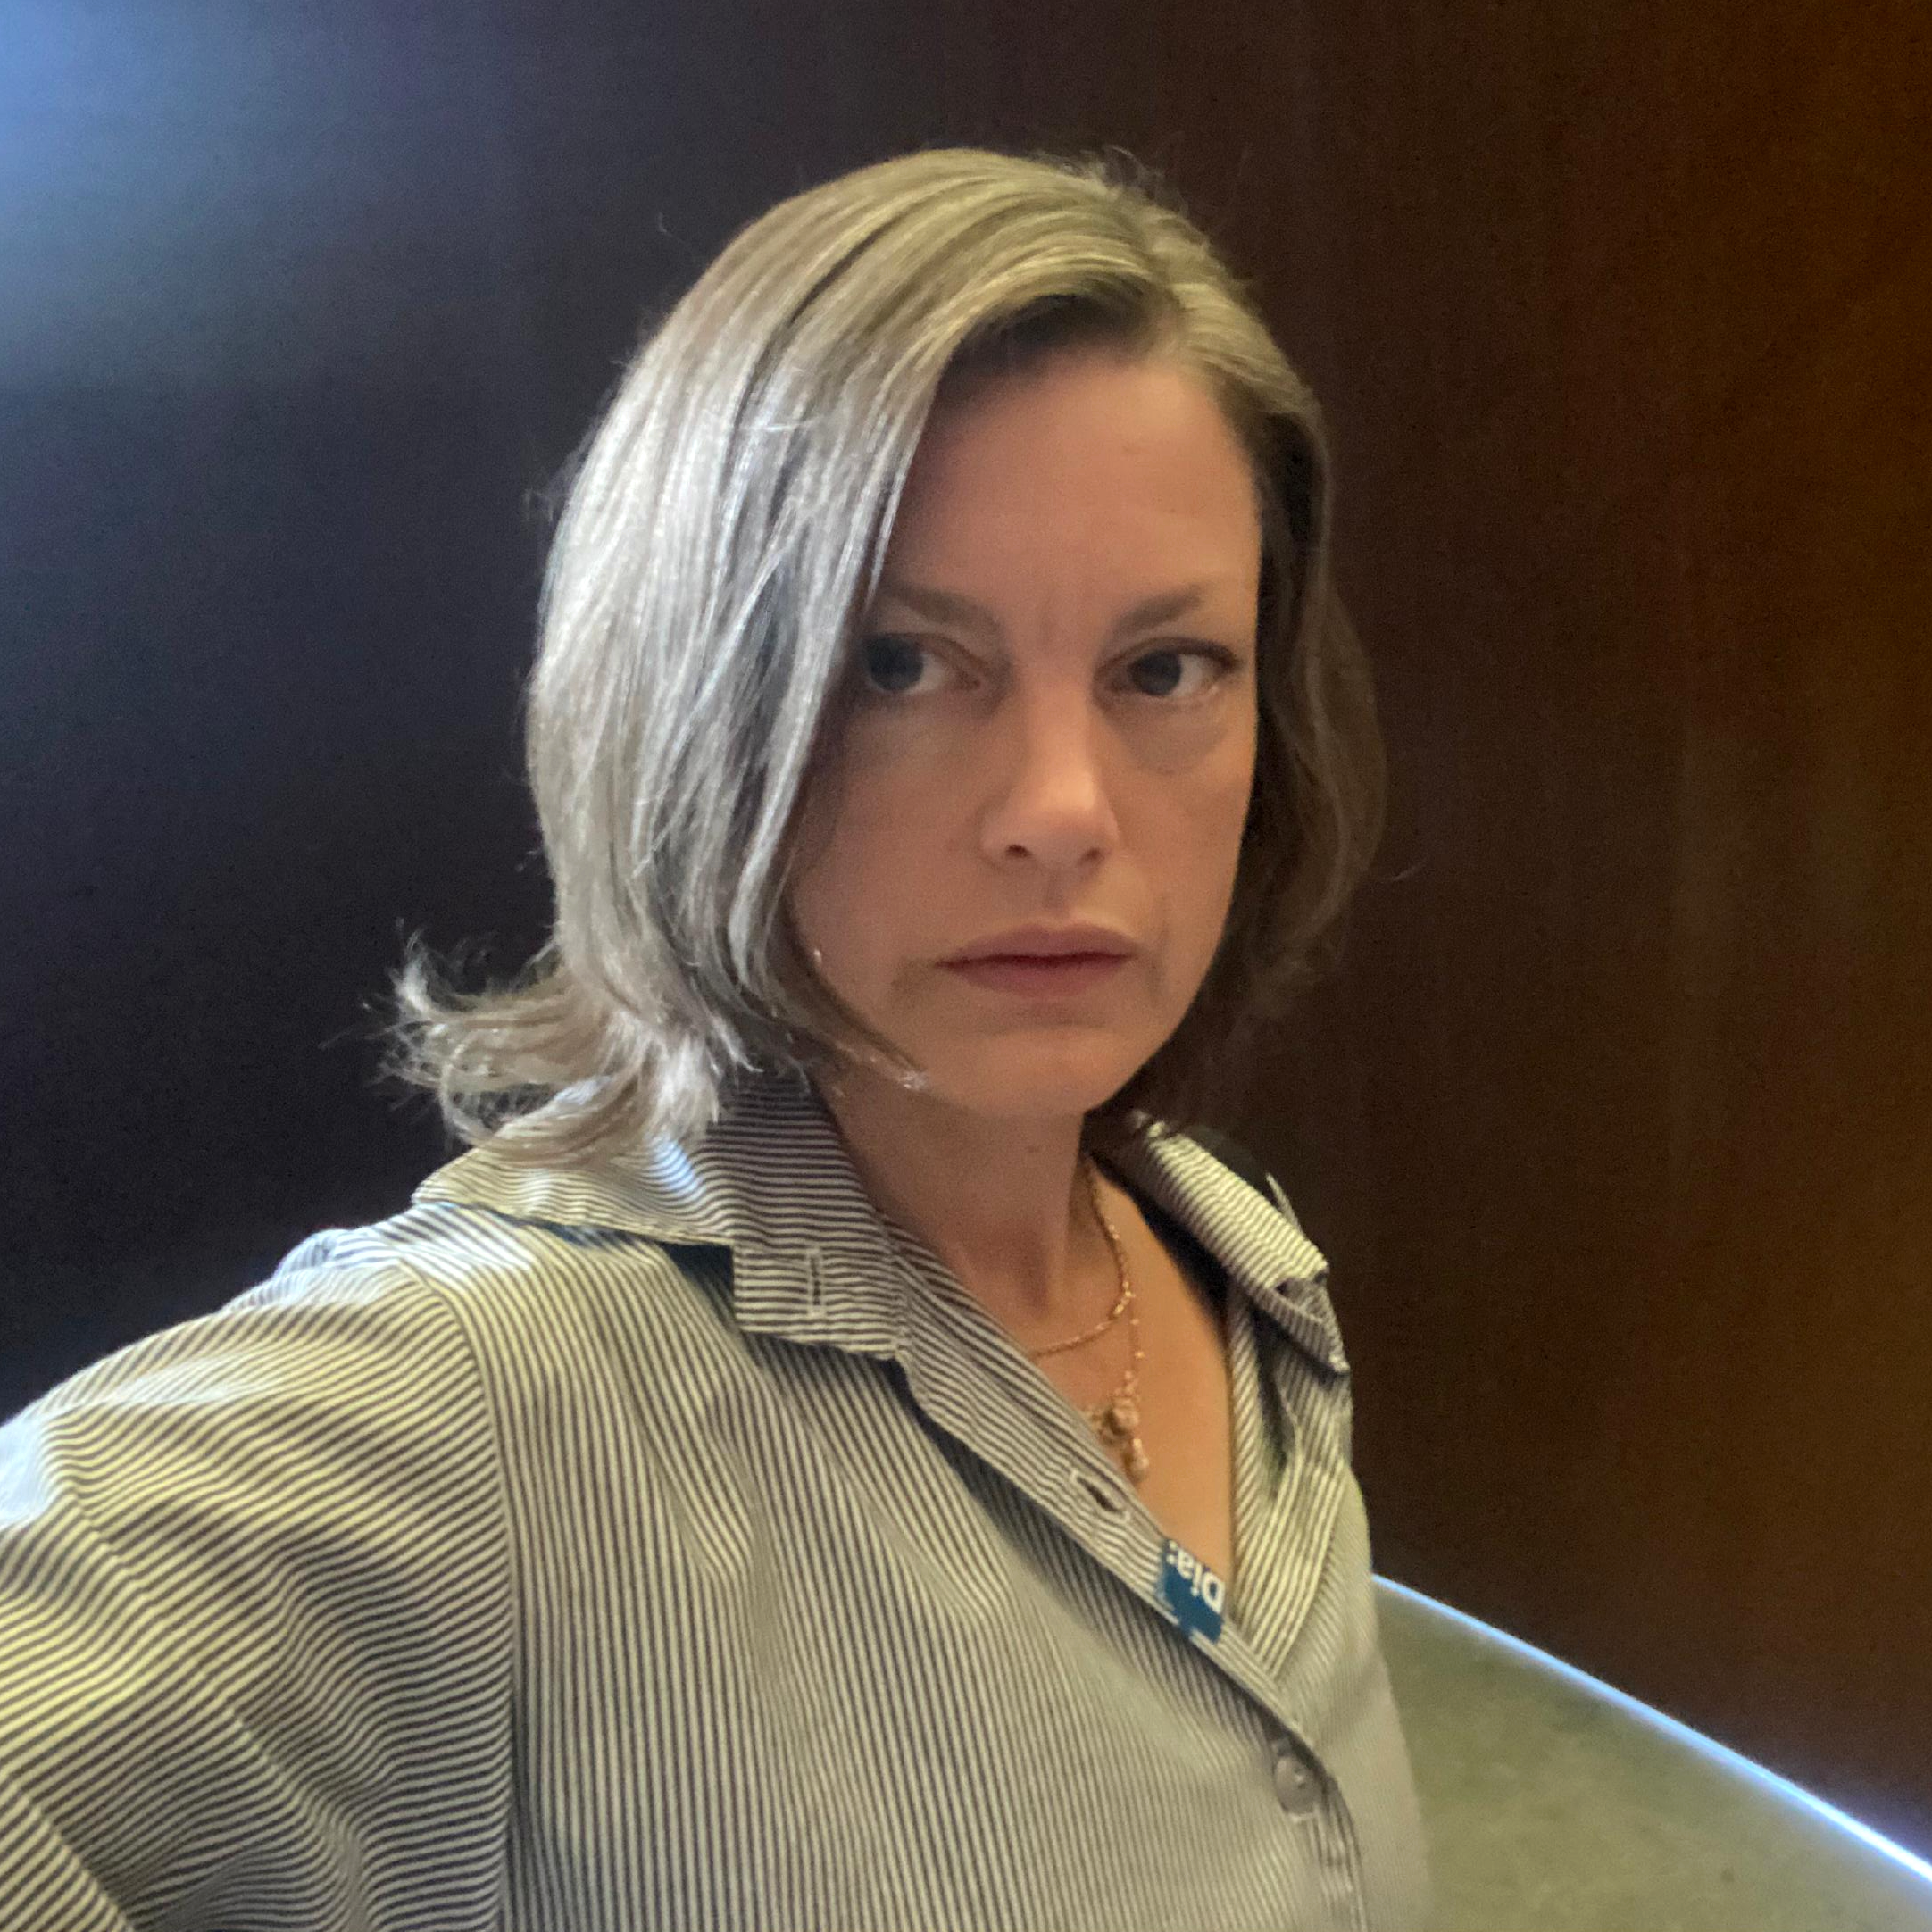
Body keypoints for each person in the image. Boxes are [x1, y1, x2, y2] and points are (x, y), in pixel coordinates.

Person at [0, 145, 1430, 1930]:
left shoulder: (1233, 1256)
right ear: (699, 699)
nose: (1062, 810)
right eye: (901, 664)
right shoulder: (490, 1396)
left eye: (1163, 668)